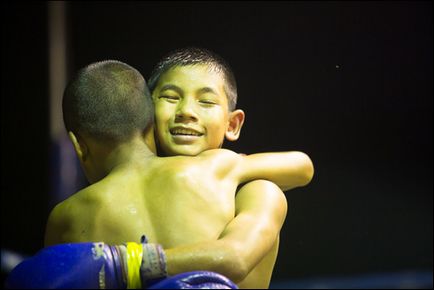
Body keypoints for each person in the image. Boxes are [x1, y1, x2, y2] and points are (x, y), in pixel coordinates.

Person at [42, 59, 313, 288]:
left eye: (205, 102)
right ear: (149, 113)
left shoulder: (249, 184)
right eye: (171, 98)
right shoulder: (228, 171)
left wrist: (124, 264)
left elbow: (235, 258)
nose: (186, 112)